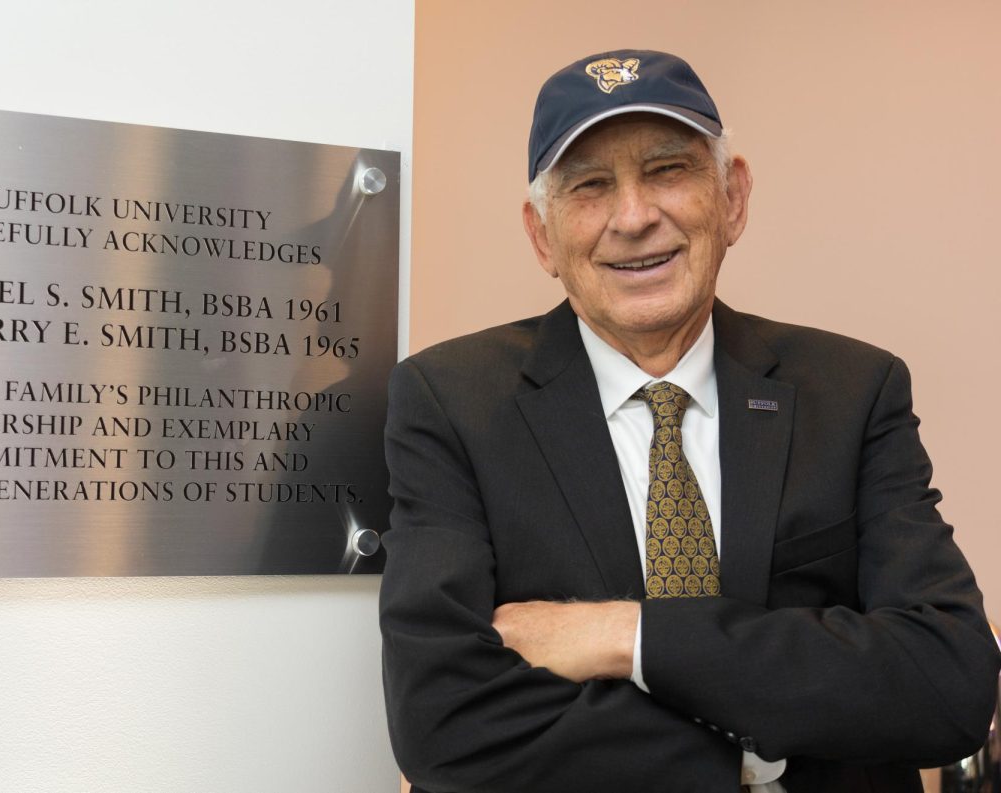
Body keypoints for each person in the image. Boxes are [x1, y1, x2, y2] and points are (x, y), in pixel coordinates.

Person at [379, 49, 1001, 793]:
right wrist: (750, 750)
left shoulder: (854, 391)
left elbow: (950, 679)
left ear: (732, 197)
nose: (635, 217)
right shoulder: (451, 404)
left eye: (668, 170)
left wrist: (624, 636)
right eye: (590, 186)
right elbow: (441, 720)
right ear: (542, 235)